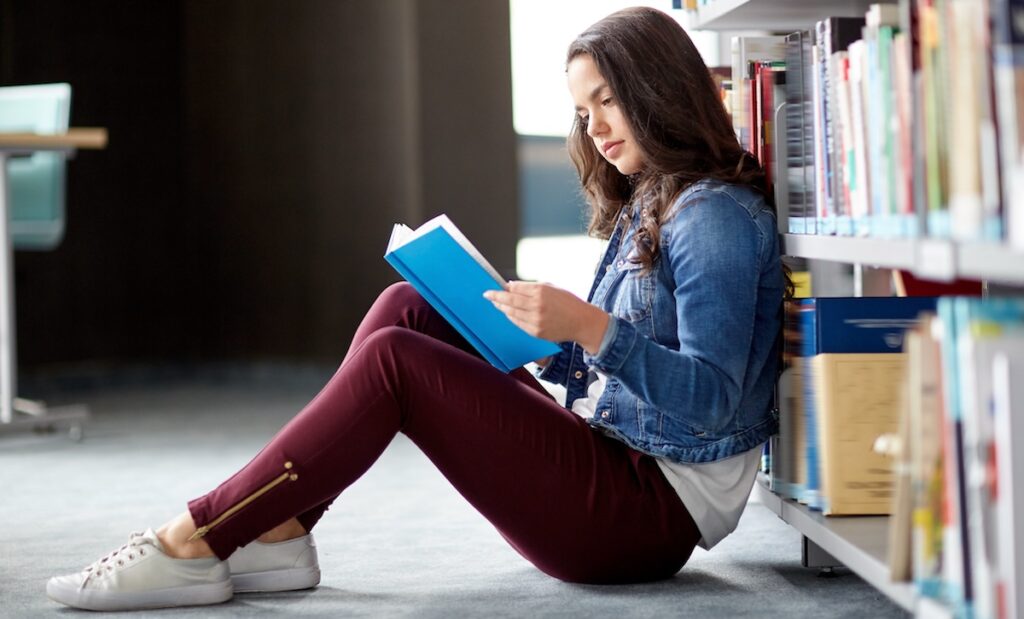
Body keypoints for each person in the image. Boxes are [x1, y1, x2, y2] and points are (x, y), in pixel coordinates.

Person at [47, 6, 786, 611]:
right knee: (411, 305)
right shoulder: (657, 195)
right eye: (581, 108)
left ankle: (196, 539)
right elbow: (616, 373)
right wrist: (530, 327)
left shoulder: (712, 215)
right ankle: (281, 530)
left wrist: (589, 327)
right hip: (623, 466)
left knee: (396, 362)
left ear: (658, 89)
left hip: (644, 519)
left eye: (607, 99)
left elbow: (713, 401)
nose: (593, 126)